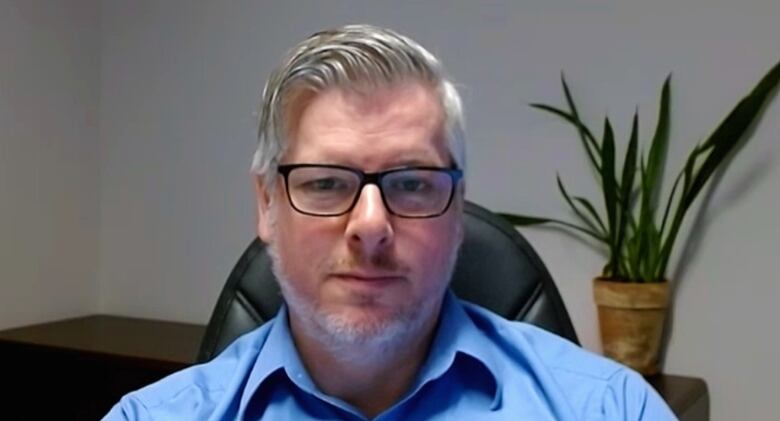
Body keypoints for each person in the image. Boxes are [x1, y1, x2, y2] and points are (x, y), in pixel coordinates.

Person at [104, 24, 676, 420]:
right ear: (267, 206)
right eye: (326, 182)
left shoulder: (609, 408)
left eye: (410, 183)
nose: (371, 225)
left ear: (456, 210)